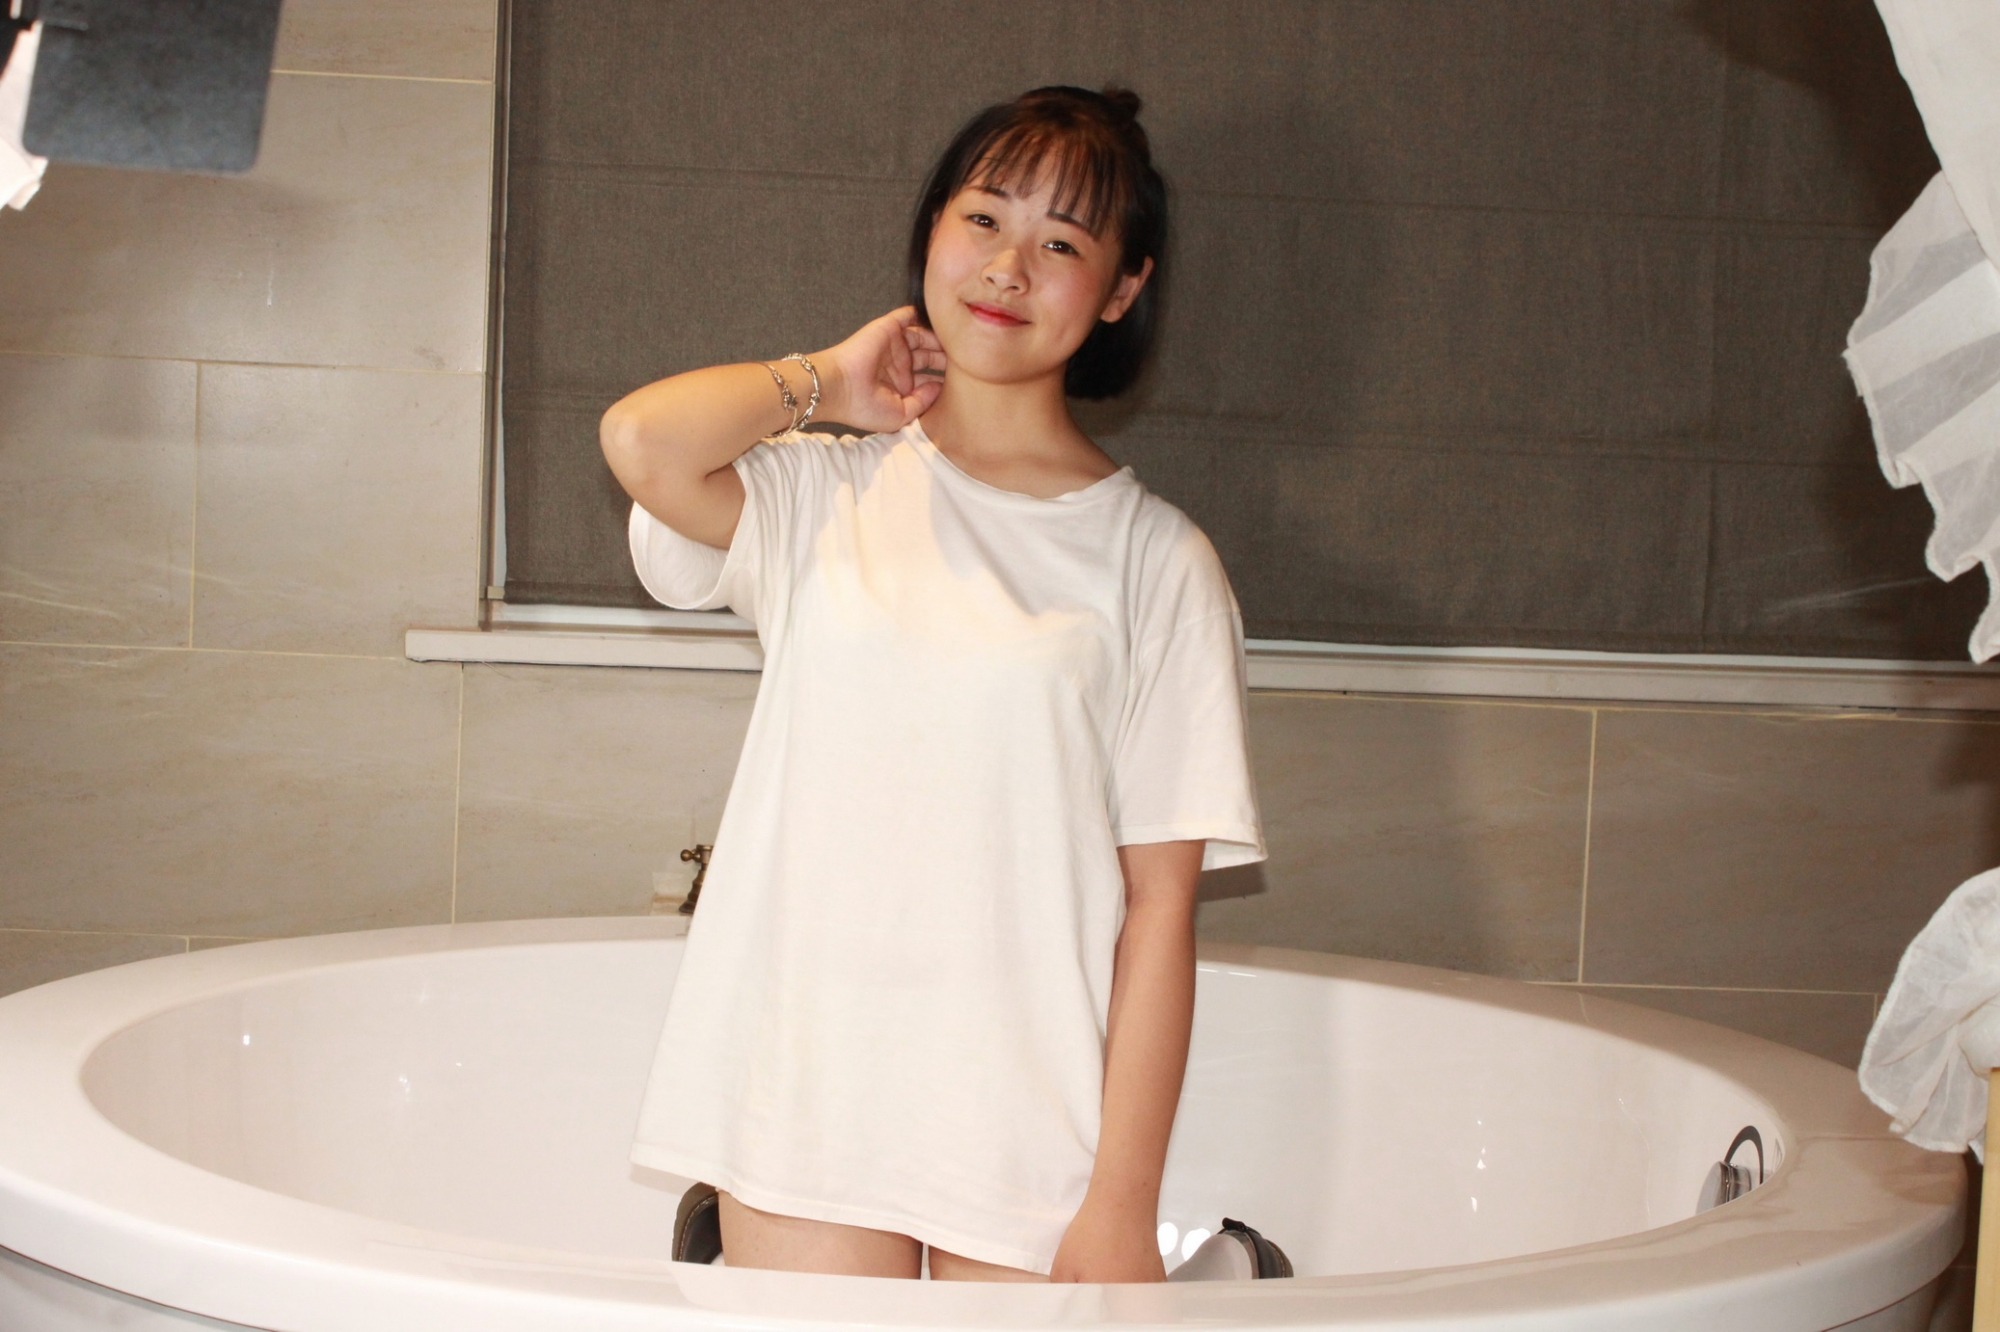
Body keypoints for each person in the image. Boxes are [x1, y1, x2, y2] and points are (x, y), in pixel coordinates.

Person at [600, 85, 1264, 1284]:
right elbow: (643, 443)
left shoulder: (1157, 562)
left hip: (1025, 1127)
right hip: (804, 1094)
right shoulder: (824, 488)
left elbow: (1157, 911)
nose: (1008, 267)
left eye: (1061, 243)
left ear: (1120, 291)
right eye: (983, 219)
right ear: (931, 233)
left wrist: (1121, 1205)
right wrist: (824, 382)